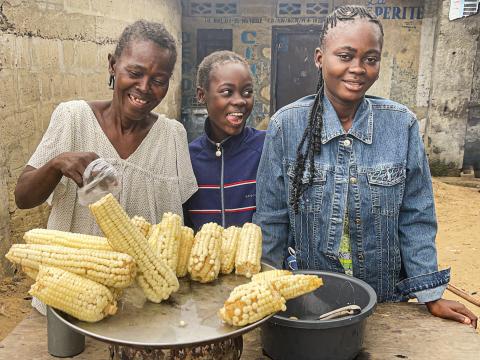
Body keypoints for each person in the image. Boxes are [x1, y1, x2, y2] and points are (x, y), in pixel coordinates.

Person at [254, 6, 477, 328]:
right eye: (345, 56)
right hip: (312, 300)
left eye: (370, 59)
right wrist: (263, 286)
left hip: (384, 300)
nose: (357, 68)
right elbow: (271, 218)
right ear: (320, 58)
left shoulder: (401, 126)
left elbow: (416, 216)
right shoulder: (286, 126)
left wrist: (430, 291)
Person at [15, 20, 197, 316]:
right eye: (135, 73)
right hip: (70, 305)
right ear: (113, 65)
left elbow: (181, 223)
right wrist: (56, 163)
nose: (144, 88)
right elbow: (23, 197)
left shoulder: (173, 135)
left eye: (158, 80)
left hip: (145, 310)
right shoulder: (73, 118)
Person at [184, 51, 266, 231]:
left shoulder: (266, 149)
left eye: (247, 92)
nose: (239, 101)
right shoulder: (187, 160)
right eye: (227, 92)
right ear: (201, 95)